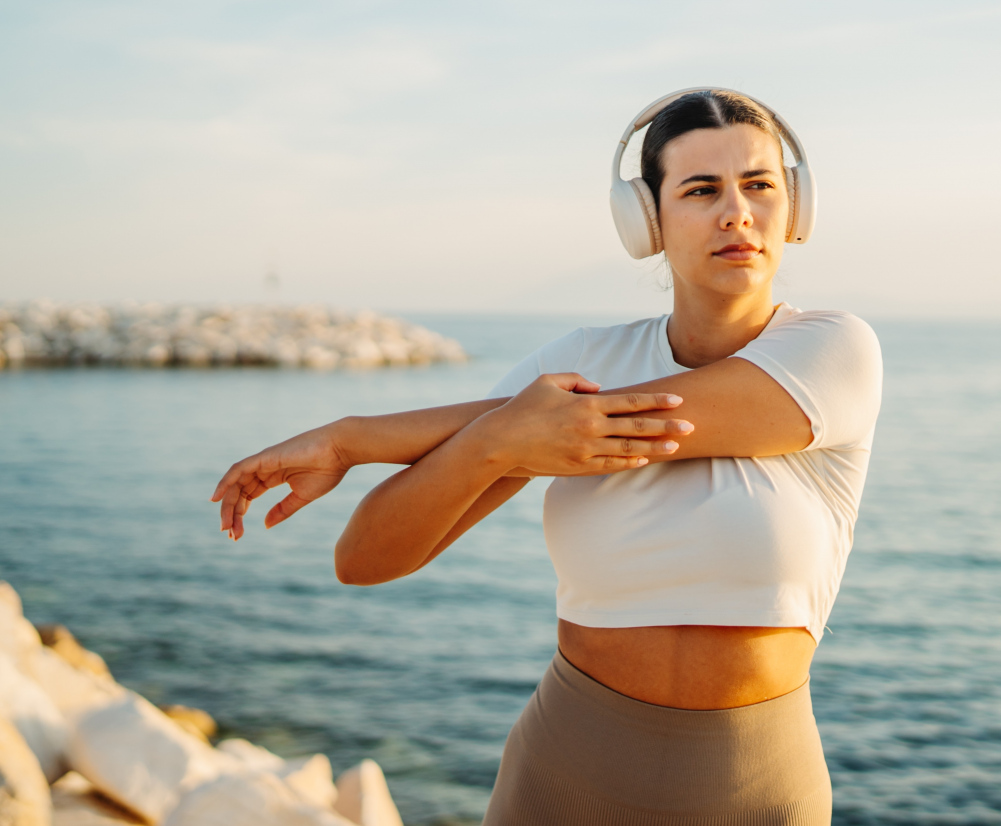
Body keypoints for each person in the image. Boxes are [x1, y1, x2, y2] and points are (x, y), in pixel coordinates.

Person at [210, 88, 883, 825]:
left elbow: (625, 419)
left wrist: (355, 439)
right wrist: (494, 441)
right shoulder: (579, 362)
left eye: (759, 185)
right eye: (700, 190)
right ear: (647, 220)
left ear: (796, 205)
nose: (737, 213)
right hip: (561, 776)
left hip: (755, 794)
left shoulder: (835, 351)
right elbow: (363, 559)